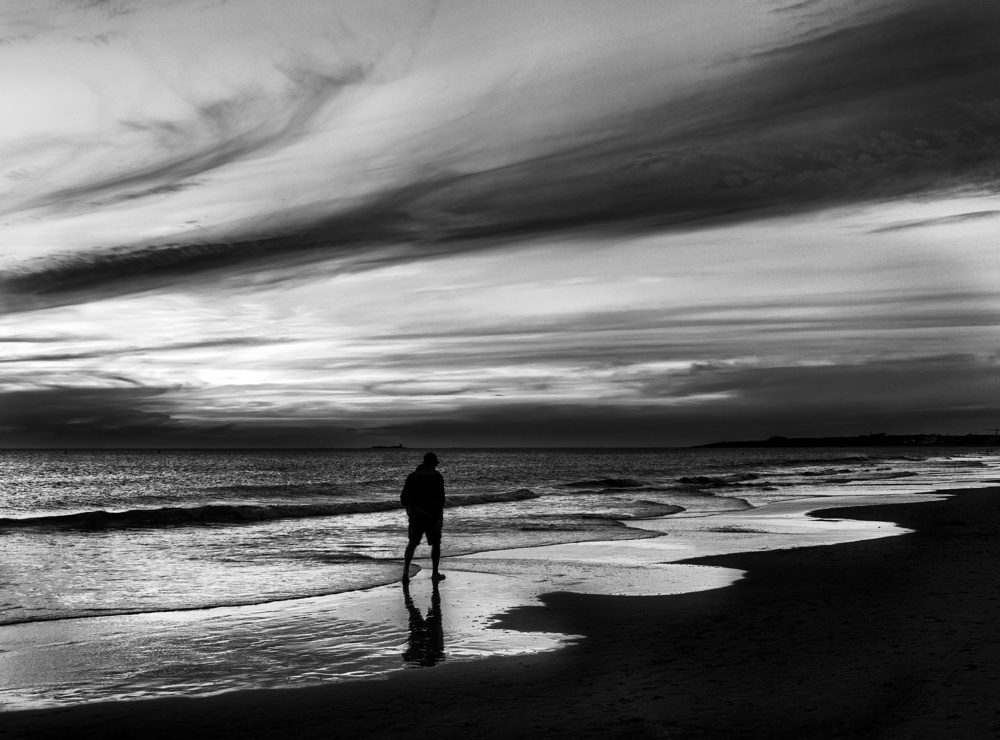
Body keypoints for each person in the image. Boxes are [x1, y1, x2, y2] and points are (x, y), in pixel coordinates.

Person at [400, 451, 446, 583]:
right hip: (432, 516)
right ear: (433, 464)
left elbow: (403, 498)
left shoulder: (412, 477)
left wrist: (410, 509)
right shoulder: (437, 477)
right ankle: (435, 572)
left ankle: (406, 570)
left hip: (416, 516)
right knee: (435, 544)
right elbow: (441, 500)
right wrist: (440, 518)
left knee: (412, 543)